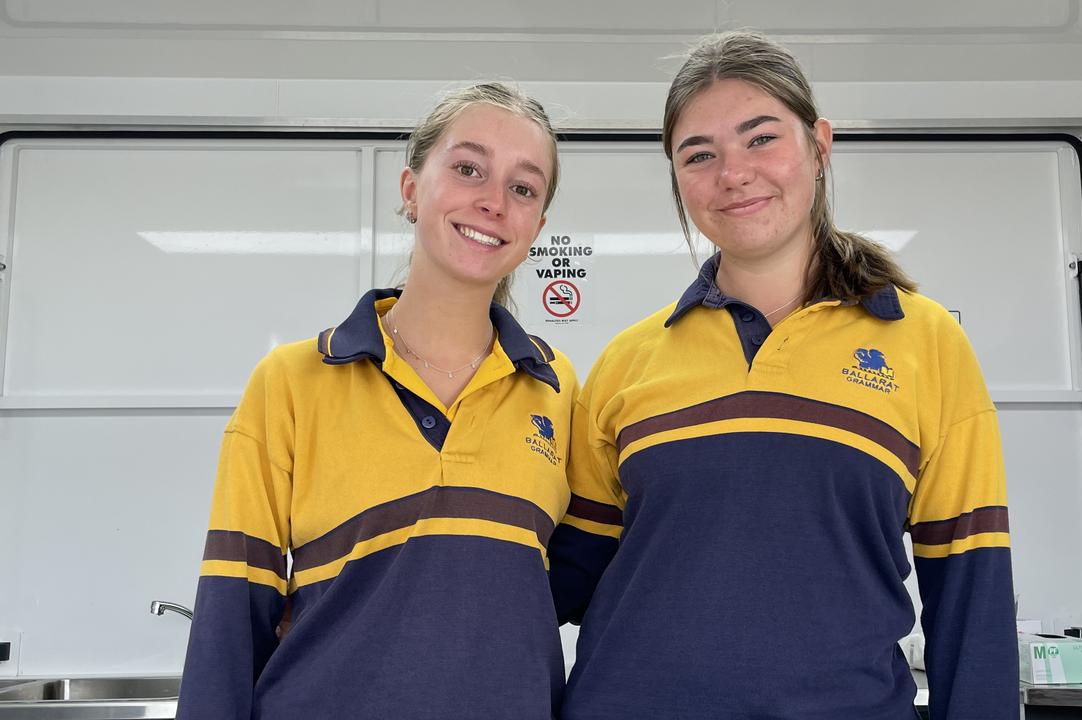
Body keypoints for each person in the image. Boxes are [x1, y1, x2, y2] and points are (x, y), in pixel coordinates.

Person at [548, 31, 1017, 720]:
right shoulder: (628, 360)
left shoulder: (926, 343)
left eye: (760, 138)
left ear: (820, 145)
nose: (732, 173)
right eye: (699, 154)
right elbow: (570, 575)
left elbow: (970, 591)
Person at [176, 82, 575, 719]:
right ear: (412, 189)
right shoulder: (291, 382)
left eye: (523, 188)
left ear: (537, 226)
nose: (494, 202)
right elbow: (230, 616)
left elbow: (575, 585)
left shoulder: (559, 390)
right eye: (468, 168)